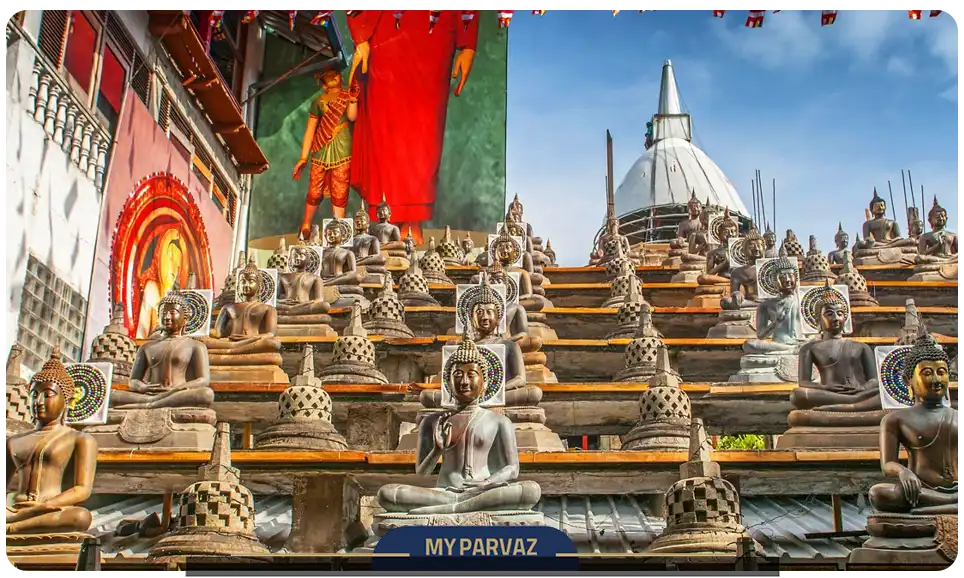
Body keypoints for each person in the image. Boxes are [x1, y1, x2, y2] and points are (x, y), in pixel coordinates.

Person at [346, 10, 479, 244]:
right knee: (385, 124)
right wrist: (361, 38)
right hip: (387, 28)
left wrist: (468, 43)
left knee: (425, 130)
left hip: (435, 31)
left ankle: (412, 220)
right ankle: (386, 219)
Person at [5, 348, 97, 536]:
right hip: (15, 509)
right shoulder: (12, 442)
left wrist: (45, 506)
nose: (39, 401)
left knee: (80, 517)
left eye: (48, 395)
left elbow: (82, 489)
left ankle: (13, 529)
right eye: (34, 394)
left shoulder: (79, 439)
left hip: (48, 509)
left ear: (67, 401)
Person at [869, 331, 958, 515]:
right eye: (927, 373)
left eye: (941, 372)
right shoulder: (895, 419)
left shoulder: (958, 416)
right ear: (907, 380)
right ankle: (953, 504)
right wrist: (902, 471)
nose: (936, 380)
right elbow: (887, 465)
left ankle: (949, 504)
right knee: (879, 494)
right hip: (919, 490)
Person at [293, 69, 360, 237]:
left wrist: (352, 100)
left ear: (341, 77)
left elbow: (352, 118)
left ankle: (340, 228)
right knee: (315, 189)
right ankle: (306, 224)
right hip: (320, 148)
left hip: (342, 147)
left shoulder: (348, 95)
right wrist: (303, 157)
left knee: (340, 188)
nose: (332, 77)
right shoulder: (318, 102)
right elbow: (310, 130)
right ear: (323, 84)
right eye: (328, 76)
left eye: (334, 74)